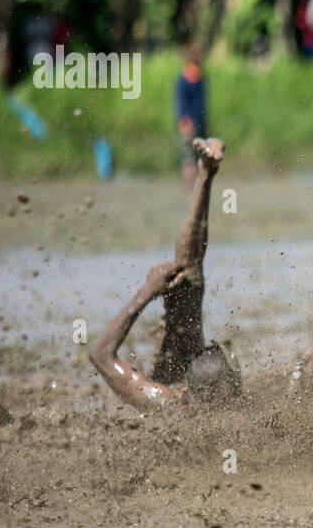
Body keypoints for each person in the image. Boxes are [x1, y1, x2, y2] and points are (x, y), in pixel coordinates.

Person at [90, 138, 242, 409]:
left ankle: (206, 173)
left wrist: (147, 291)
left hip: (178, 394)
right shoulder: (239, 408)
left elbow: (100, 354)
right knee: (186, 279)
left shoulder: (169, 407)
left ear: (185, 396)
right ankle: (206, 174)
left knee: (185, 280)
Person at [173, 46, 208, 188]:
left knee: (191, 161)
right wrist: (189, 126)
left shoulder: (191, 77)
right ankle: (192, 193)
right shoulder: (192, 78)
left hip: (191, 126)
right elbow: (185, 106)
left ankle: (192, 193)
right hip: (189, 127)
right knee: (191, 161)